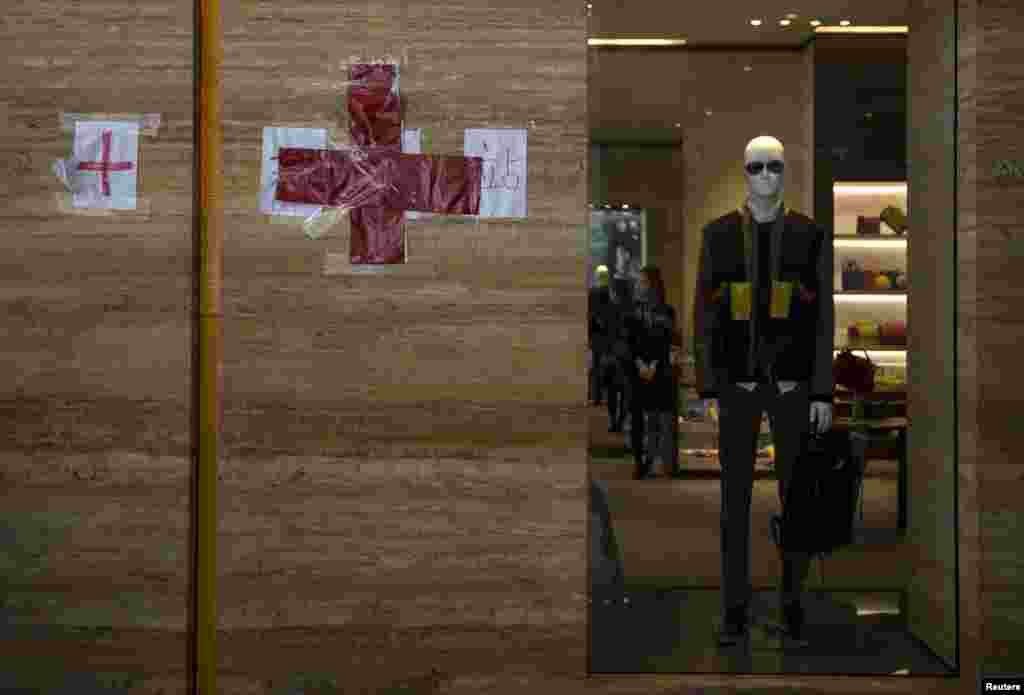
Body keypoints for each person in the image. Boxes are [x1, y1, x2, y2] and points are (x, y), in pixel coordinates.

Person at [693, 135, 834, 649]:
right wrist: (707, 383)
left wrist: (823, 391)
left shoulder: (810, 235)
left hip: (795, 386)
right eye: (758, 167)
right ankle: (734, 609)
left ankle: (793, 605)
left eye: (775, 166)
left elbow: (823, 319)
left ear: (786, 170)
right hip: (738, 385)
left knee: (797, 499)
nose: (767, 176)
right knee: (734, 501)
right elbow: (704, 315)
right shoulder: (719, 235)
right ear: (745, 172)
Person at [624, 267, 678, 480]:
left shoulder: (667, 311)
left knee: (656, 417)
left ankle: (652, 458)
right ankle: (639, 462)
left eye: (644, 282)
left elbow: (666, 341)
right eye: (639, 282)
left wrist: (654, 364)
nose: (640, 286)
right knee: (637, 417)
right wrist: (638, 363)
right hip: (636, 370)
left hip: (658, 370)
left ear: (654, 285)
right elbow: (627, 340)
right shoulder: (631, 311)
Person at [605, 276, 633, 433]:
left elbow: (607, 332)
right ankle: (620, 421)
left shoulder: (611, 309)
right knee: (623, 392)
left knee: (613, 391)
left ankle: (615, 421)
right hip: (624, 355)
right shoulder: (630, 309)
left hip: (614, 355)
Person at [588, 265, 612, 406]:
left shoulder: (593, 292)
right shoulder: (610, 292)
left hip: (597, 335)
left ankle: (597, 396)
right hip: (607, 336)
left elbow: (590, 314)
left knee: (597, 366)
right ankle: (607, 396)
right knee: (607, 366)